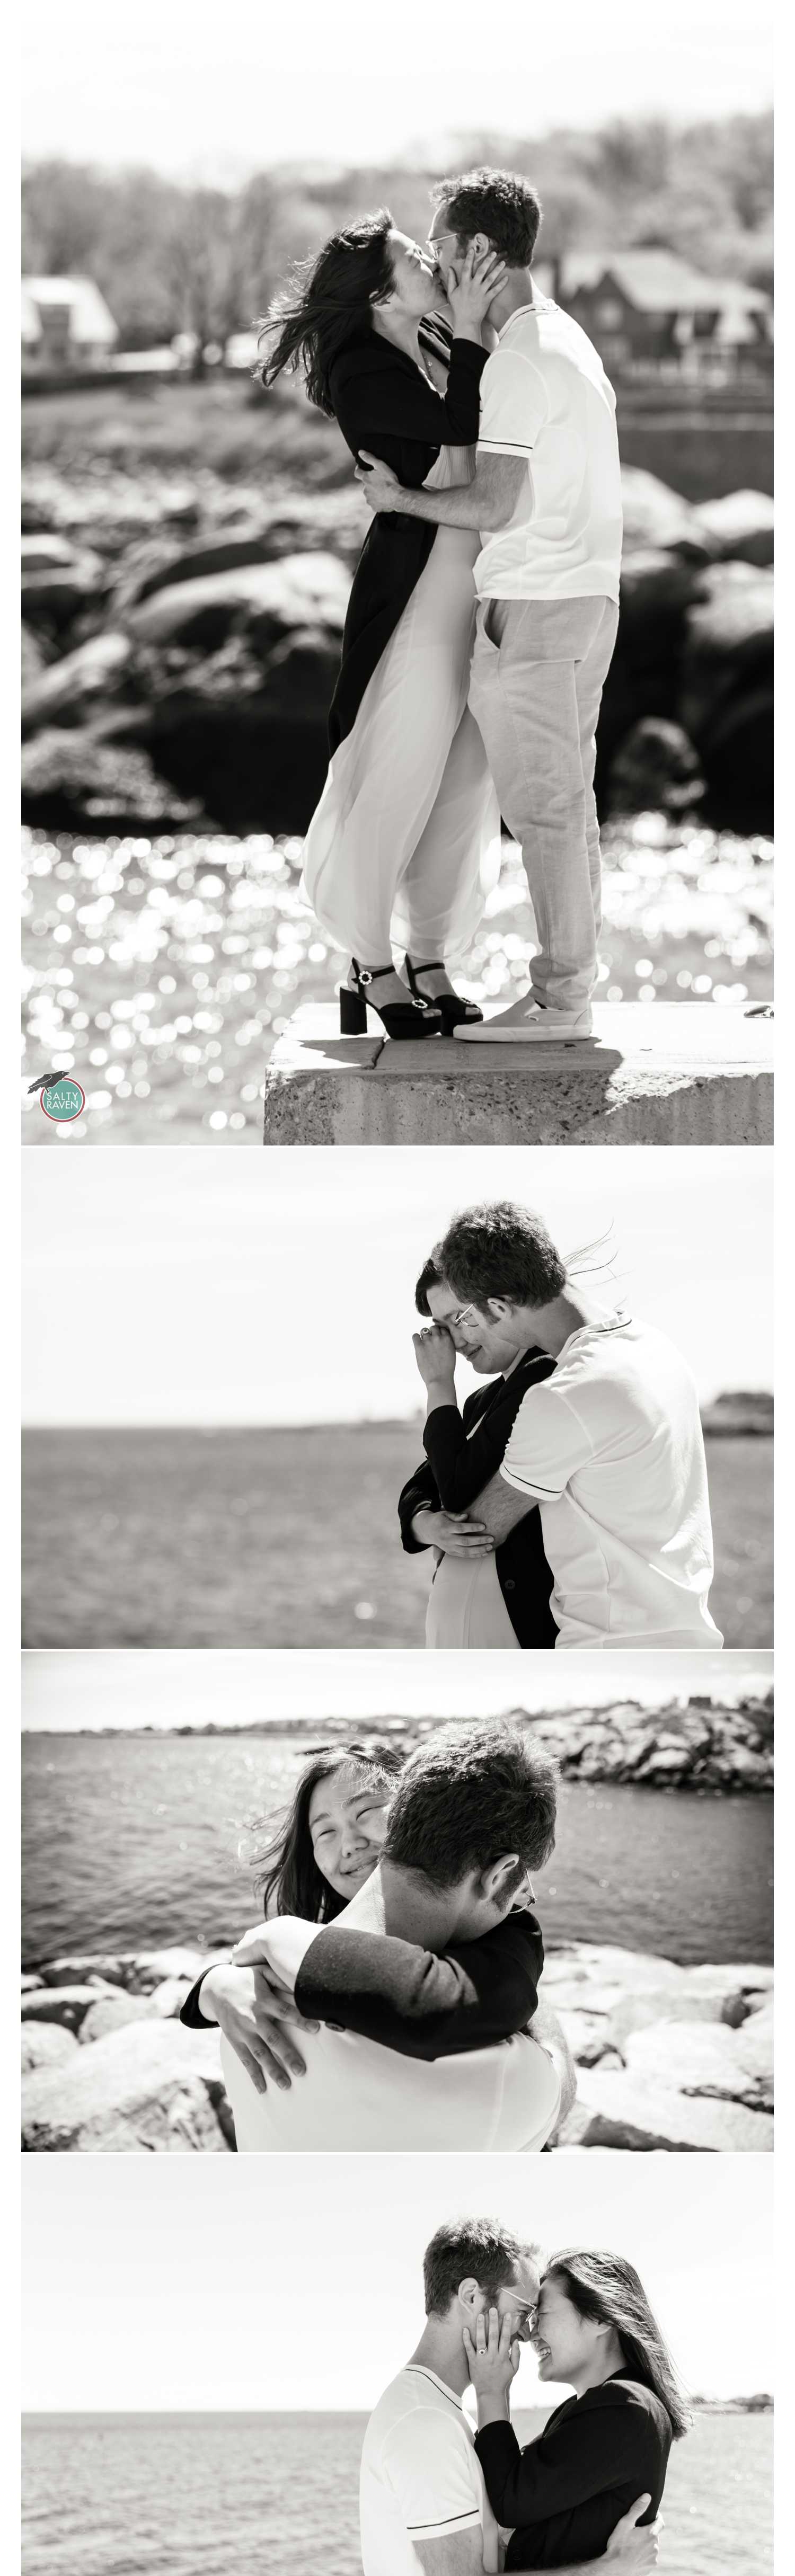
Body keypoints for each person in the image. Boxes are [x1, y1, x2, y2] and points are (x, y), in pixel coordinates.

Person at [359, 169, 623, 1042]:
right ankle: (575, 985)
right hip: (589, 602)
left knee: (545, 811)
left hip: (537, 608)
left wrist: (401, 502)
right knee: (569, 805)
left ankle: (560, 999)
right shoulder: (568, 341)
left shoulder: (517, 361)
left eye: (440, 244)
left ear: (477, 250)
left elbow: (497, 504)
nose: (433, 259)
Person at [259, 214, 505, 1036]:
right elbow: (461, 429)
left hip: (477, 592)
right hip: (419, 602)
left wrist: (470, 327)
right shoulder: (365, 367)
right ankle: (367, 960)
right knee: (399, 774)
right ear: (377, 292)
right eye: (413, 257)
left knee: (466, 783)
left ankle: (428, 953)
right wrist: (470, 327)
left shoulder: (430, 344)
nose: (430, 260)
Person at [182, 1722, 574, 2150]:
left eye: (368, 1814)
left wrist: (276, 1941)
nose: (349, 1844)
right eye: (325, 1832)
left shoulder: (264, 1982)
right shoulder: (248, 1999)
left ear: (407, 1811)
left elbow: (442, 1997)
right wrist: (217, 1983)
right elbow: (557, 2086)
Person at [426, 1201, 722, 1648]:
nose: (464, 1334)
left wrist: (427, 1521)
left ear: (499, 1308)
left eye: (467, 1317)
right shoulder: (656, 1346)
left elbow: (478, 1527)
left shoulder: (565, 1396)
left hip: (611, 1644)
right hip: (687, 1638)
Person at [360, 2217, 662, 2576]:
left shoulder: (443, 2413)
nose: (527, 2331)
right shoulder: (424, 2423)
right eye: (523, 2311)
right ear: (470, 2297)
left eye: (537, 2316)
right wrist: (607, 2570)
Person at [467, 2249, 687, 2576]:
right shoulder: (603, 2407)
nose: (530, 2334)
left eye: (542, 2315)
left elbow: (511, 2501)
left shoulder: (624, 2407)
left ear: (602, 2317)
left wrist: (490, 2391)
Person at [399, 1253, 556, 1649]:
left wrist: (438, 1384)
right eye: (440, 1327)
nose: (455, 1340)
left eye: (460, 1318)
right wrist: (427, 1525)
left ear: (497, 1305)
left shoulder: (543, 1378)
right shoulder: (480, 1402)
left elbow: (455, 1490)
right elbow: (419, 1487)